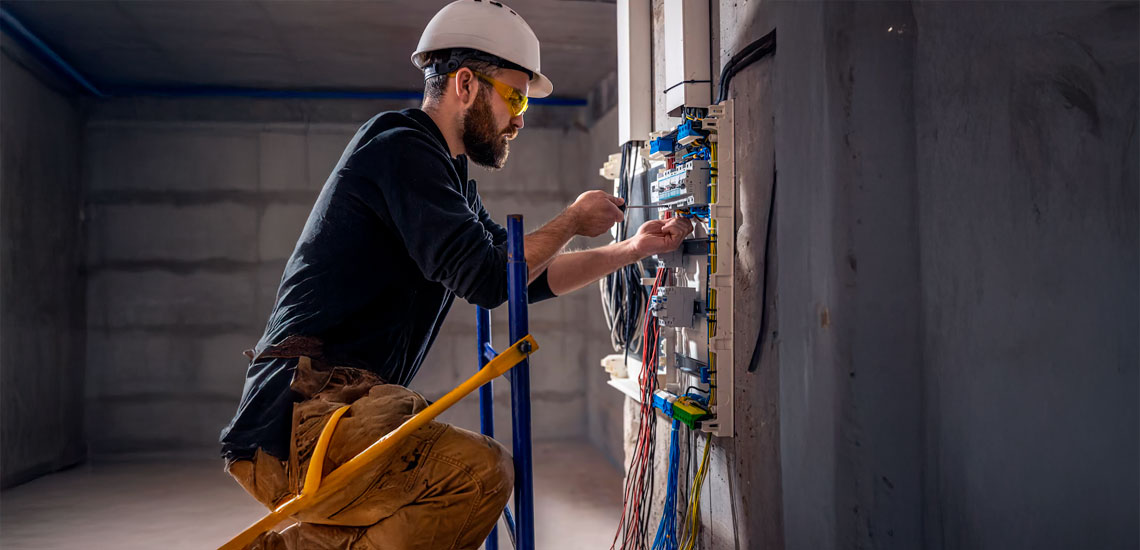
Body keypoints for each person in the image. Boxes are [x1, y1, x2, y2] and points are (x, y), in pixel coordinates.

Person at [218, 1, 693, 548]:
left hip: (326, 414)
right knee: (477, 473)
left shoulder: (446, 176)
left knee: (467, 474)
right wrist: (571, 221)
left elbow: (521, 278)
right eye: (514, 97)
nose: (518, 119)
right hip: (299, 419)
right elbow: (491, 278)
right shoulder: (401, 149)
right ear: (465, 84)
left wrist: (632, 249)